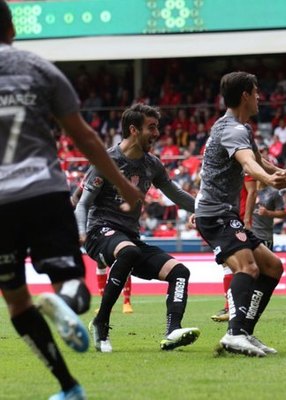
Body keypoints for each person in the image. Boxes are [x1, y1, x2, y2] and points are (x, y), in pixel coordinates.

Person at [0, 2, 142, 399]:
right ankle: (64, 301)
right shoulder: (39, 68)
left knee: (15, 301)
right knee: (72, 286)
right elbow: (84, 137)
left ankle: (69, 387)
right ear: (11, 27)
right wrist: (126, 186)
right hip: (44, 191)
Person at [195, 71, 286, 357]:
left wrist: (282, 173)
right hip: (214, 213)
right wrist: (270, 180)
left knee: (272, 268)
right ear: (245, 95)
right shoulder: (233, 129)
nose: (260, 98)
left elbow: (257, 159)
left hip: (223, 212)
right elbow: (249, 164)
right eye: (256, 92)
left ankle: (242, 332)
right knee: (248, 268)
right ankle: (234, 333)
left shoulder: (238, 127)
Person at [75, 104, 200, 353]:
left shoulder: (152, 165)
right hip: (100, 232)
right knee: (129, 251)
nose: (157, 133)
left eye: (157, 127)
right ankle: (101, 323)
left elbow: (175, 194)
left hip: (129, 238)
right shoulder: (106, 161)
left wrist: (205, 208)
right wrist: (80, 232)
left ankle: (172, 331)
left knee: (179, 272)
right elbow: (82, 203)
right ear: (133, 130)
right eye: (151, 127)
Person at [72, 184, 135, 314]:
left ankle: (127, 302)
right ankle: (103, 302)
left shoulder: (121, 178)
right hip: (97, 226)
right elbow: (76, 196)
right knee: (100, 263)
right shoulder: (94, 178)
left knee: (124, 260)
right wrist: (82, 208)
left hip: (119, 224)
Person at [211, 175, 257, 323]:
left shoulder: (244, 167)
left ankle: (233, 307)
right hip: (223, 218)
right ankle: (232, 307)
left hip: (238, 221)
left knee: (241, 266)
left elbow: (252, 192)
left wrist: (247, 219)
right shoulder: (224, 169)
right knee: (227, 265)